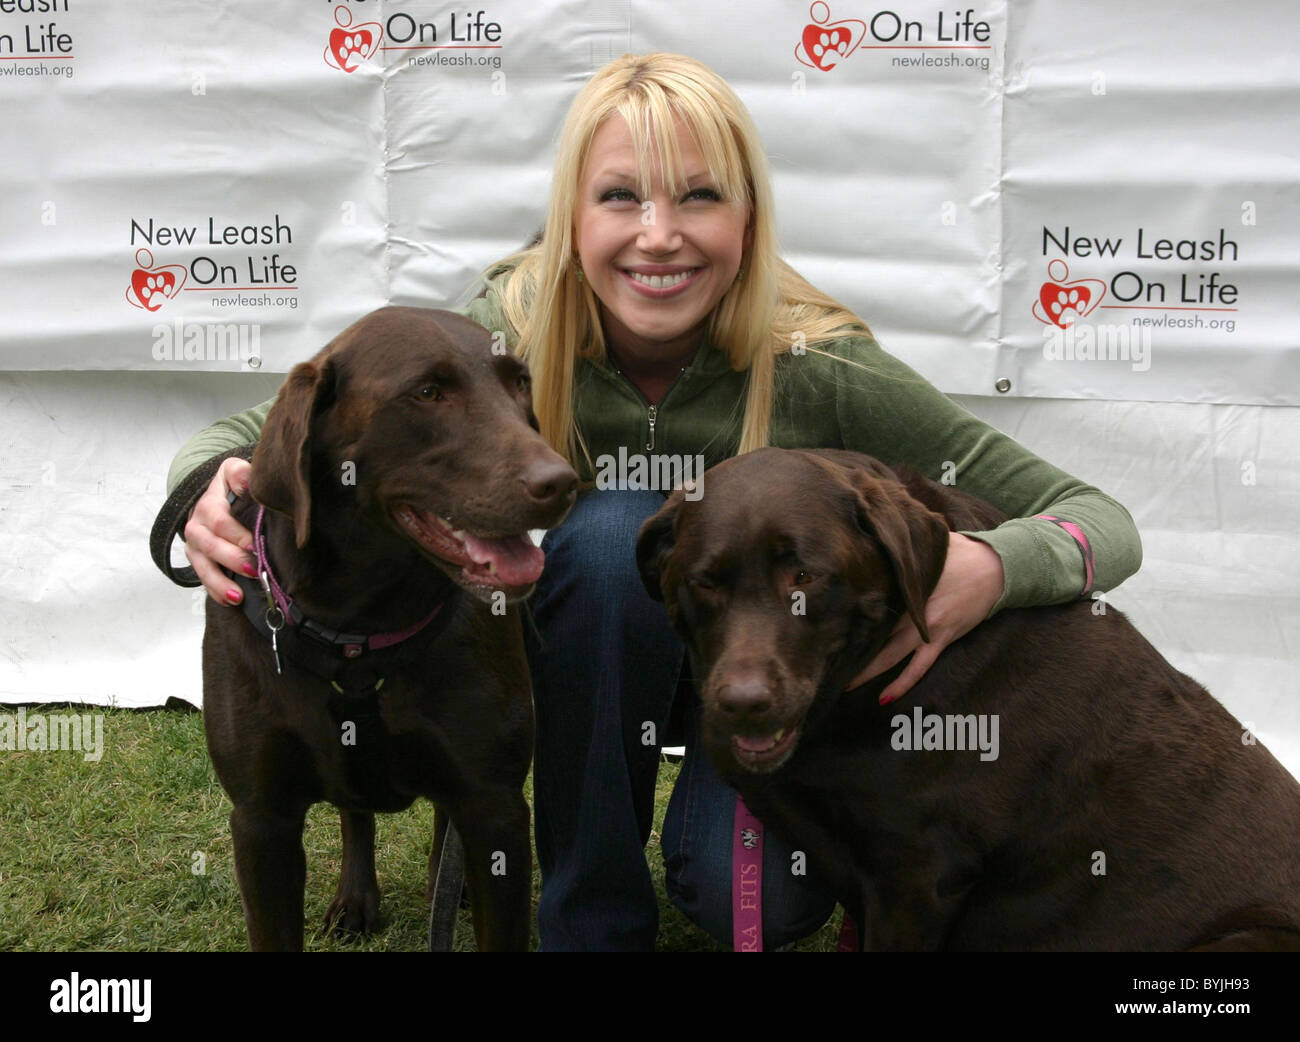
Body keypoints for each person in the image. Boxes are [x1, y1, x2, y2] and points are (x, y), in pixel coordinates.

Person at [165, 52, 1141, 951]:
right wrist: (204, 489)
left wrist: (997, 562)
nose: (658, 234)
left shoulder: (818, 364)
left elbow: (1095, 515)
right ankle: (590, 914)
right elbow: (267, 423)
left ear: (747, 220)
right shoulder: (507, 333)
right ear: (572, 219)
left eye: (700, 197)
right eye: (619, 196)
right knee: (597, 538)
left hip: (765, 674)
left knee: (743, 900)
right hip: (591, 656)